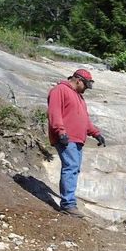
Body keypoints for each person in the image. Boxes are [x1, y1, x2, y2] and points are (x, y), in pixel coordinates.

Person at [47, 69, 106, 217]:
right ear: (78, 80)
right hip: (67, 138)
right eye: (85, 85)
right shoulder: (60, 90)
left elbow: (85, 120)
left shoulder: (79, 97)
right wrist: (61, 132)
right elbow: (54, 113)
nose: (86, 89)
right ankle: (68, 204)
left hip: (77, 140)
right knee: (71, 167)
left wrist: (96, 133)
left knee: (73, 169)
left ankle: (69, 202)